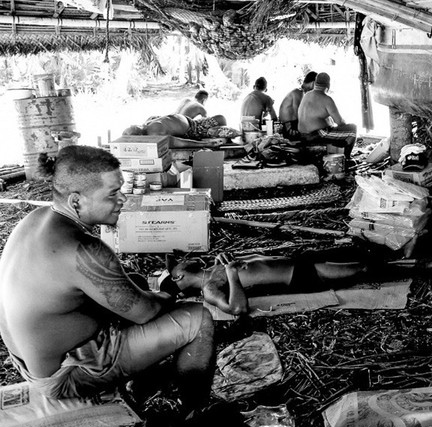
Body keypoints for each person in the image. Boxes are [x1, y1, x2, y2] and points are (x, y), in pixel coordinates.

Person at [0, 146, 214, 409]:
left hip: (32, 358)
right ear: (76, 201)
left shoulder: (35, 219)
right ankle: (187, 408)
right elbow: (145, 313)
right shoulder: (84, 250)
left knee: (134, 279)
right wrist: (172, 288)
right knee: (198, 318)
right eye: (112, 194)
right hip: (68, 374)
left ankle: (144, 379)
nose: (122, 199)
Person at [169, 251, 369, 315]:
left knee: (362, 258)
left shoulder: (214, 266)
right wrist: (231, 274)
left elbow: (253, 262)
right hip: (298, 274)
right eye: (179, 264)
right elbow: (237, 308)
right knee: (364, 269)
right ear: (178, 277)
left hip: (296, 260)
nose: (183, 260)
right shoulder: (209, 289)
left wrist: (227, 261)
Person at [298, 72, 358, 163]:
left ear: (315, 83)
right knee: (353, 129)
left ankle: (339, 148)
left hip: (302, 133)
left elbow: (315, 115)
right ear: (328, 86)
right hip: (317, 134)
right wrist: (343, 125)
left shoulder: (307, 95)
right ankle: (348, 158)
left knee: (332, 129)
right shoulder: (327, 99)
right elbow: (340, 122)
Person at [122, 113, 235, 148]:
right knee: (221, 118)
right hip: (195, 129)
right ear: (137, 136)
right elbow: (178, 142)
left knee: (221, 118)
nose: (131, 125)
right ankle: (224, 140)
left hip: (192, 122)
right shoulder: (154, 134)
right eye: (130, 130)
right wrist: (205, 143)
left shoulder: (147, 123)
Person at [277, 71, 317, 141]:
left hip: (289, 126)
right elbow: (298, 114)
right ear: (313, 83)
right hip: (290, 128)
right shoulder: (298, 93)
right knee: (315, 137)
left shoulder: (299, 93)